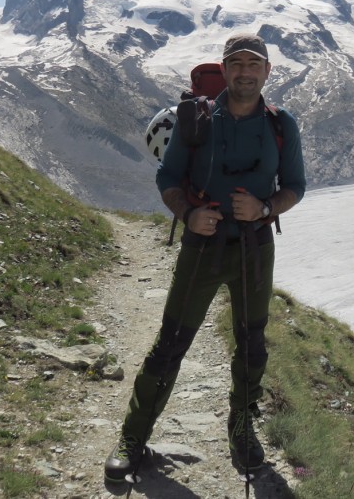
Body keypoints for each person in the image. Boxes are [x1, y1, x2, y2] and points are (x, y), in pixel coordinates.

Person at [105, 33, 306, 482]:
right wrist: (189, 213)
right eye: (237, 63)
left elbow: (295, 185)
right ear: (225, 69)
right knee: (171, 341)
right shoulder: (195, 118)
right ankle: (132, 438)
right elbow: (168, 175)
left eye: (254, 63)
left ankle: (242, 430)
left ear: (267, 71)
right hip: (201, 248)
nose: (245, 71)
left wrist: (266, 209)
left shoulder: (281, 124)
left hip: (254, 247)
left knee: (252, 345)